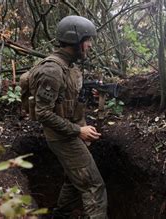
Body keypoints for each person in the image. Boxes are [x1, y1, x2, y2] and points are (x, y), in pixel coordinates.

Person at [27, 16, 107, 218]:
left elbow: (65, 102)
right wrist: (78, 131)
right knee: (93, 186)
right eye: (88, 40)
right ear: (77, 41)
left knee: (75, 180)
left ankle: (60, 215)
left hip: (67, 132)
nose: (90, 45)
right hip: (62, 136)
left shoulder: (68, 65)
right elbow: (42, 113)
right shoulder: (53, 70)